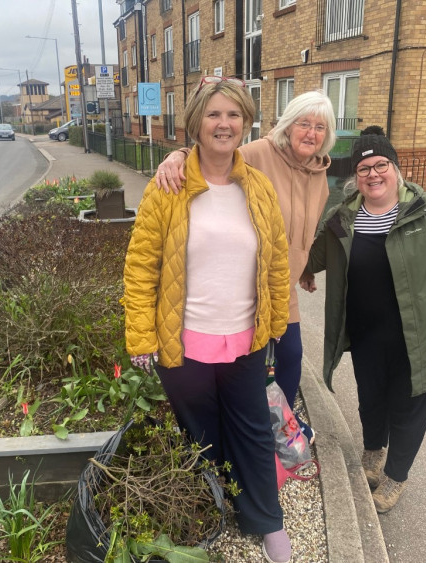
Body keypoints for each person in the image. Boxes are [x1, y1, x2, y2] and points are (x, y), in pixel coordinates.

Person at [123, 76, 293, 563]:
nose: (224, 124)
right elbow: (140, 268)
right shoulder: (168, 186)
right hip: (183, 341)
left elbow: (276, 262)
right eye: (214, 115)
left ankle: (265, 518)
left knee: (253, 429)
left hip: (244, 338)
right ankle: (211, 507)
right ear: (196, 122)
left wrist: (276, 325)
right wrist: (141, 336)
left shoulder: (257, 187)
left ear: (246, 122)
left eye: (234, 115)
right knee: (199, 432)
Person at [305, 129, 426, 513]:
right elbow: (316, 253)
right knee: (371, 400)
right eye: (364, 167)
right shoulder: (345, 215)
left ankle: (397, 476)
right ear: (355, 175)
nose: (373, 174)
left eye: (381, 165)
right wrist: (303, 270)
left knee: (408, 408)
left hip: (418, 336)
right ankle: (373, 451)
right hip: (367, 333)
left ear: (396, 169)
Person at [155, 90, 336, 443]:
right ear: (288, 125)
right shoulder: (257, 155)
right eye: (303, 124)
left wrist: (307, 267)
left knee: (291, 355)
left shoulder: (320, 175)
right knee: (263, 358)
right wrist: (175, 156)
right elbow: (212, 152)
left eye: (320, 127)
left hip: (282, 280)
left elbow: (306, 230)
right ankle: (254, 426)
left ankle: (282, 424)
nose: (310, 133)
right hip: (246, 281)